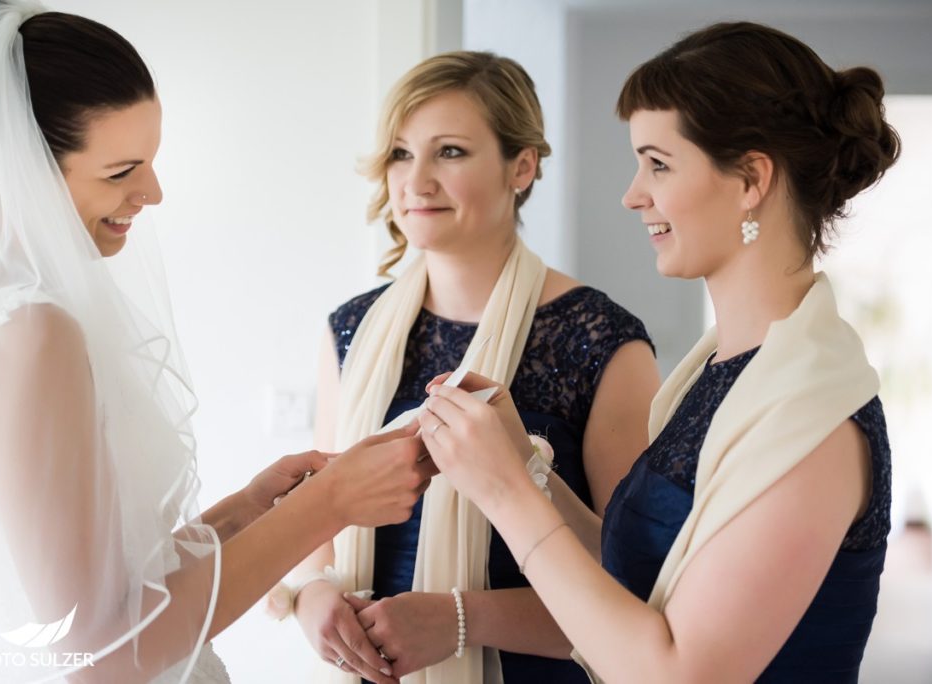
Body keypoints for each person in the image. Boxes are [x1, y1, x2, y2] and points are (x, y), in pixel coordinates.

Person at [0, 2, 434, 682]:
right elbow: (102, 654)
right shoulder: (34, 333)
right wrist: (325, 507)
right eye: (121, 172)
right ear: (24, 168)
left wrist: (243, 511)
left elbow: (97, 589)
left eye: (150, 161)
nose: (151, 192)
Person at [417, 22, 898, 684]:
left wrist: (504, 493)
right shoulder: (720, 375)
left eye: (658, 163)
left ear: (751, 178)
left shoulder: (813, 419)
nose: (633, 193)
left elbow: (677, 671)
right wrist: (527, 467)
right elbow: (636, 581)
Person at [275, 51, 660, 683]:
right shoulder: (349, 331)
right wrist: (313, 595)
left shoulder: (601, 341)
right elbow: (322, 514)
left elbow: (633, 591)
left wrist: (462, 619)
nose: (416, 181)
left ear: (522, 165)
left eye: (449, 152)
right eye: (401, 153)